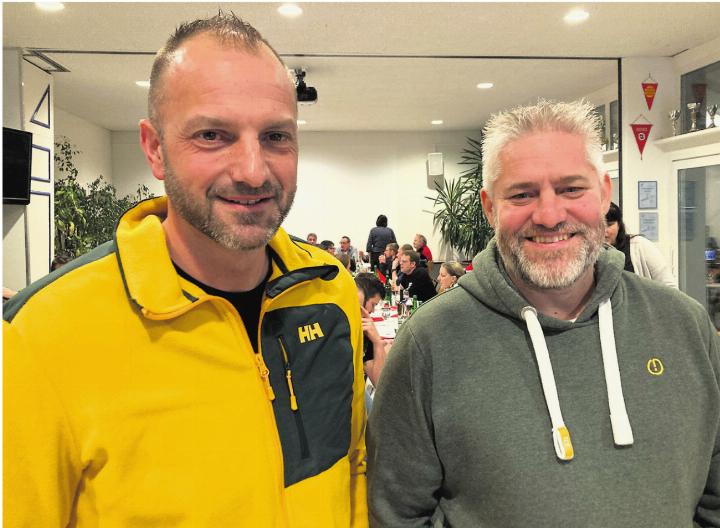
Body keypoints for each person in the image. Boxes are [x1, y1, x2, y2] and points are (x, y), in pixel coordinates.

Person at [4, 13, 367, 527]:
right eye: (213, 135)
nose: (252, 170)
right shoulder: (39, 335)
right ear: (154, 148)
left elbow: (352, 470)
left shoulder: (329, 292)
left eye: (275, 137)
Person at [367, 100, 720, 527]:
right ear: (489, 207)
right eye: (522, 194)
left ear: (604, 194)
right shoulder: (430, 343)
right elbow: (397, 513)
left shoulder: (685, 326)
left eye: (572, 189)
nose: (550, 215)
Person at [605, 202, 677, 288]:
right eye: (599, 225)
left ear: (619, 225)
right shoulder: (590, 254)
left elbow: (670, 287)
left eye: (609, 225)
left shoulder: (639, 246)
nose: (604, 230)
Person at [354, 273, 390, 387]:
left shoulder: (365, 329)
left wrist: (377, 343)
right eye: (373, 304)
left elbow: (380, 384)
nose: (373, 311)